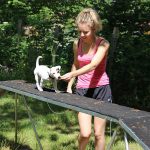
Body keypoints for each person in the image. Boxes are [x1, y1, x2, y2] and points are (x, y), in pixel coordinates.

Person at [61, 8, 112, 150]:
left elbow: (93, 65)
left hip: (101, 89)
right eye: (80, 32)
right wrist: (70, 86)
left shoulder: (103, 44)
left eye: (85, 32)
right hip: (82, 90)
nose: (82, 35)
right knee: (85, 133)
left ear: (94, 28)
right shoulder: (77, 43)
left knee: (98, 134)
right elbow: (76, 64)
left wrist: (72, 75)